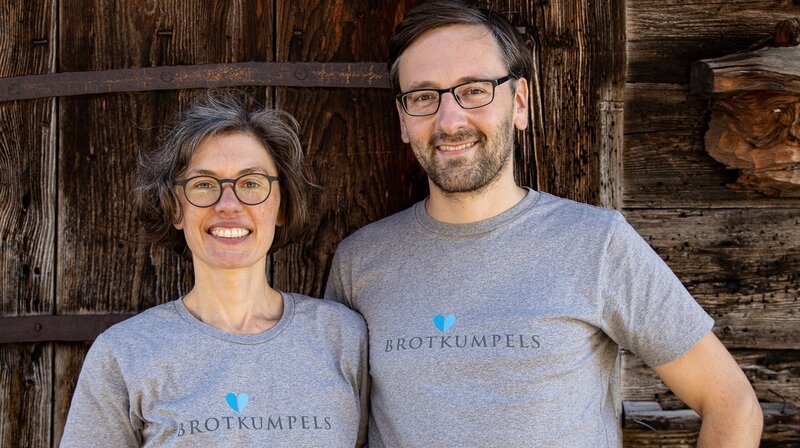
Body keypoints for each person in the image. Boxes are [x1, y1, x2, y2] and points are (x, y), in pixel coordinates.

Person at [324, 1, 762, 446]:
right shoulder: (360, 261)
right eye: (423, 97)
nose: (449, 120)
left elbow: (731, 404)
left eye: (474, 90)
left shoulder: (596, 244)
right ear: (403, 120)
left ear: (519, 103)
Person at [61, 92, 368, 447]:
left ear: (282, 207)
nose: (228, 205)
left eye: (251, 183)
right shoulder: (124, 353)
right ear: (175, 209)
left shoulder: (342, 338)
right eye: (204, 185)